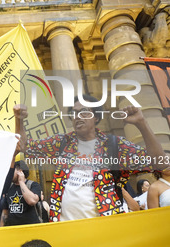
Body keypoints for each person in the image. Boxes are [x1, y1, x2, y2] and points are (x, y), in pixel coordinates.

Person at [14, 94, 166, 222]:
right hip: (65, 229)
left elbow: (160, 163)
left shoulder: (114, 145)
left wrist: (142, 124)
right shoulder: (62, 143)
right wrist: (19, 119)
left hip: (105, 228)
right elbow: (26, 146)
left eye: (84, 112)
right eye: (74, 113)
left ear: (96, 117)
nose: (78, 116)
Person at [0, 160, 42, 226]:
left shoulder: (33, 185)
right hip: (13, 230)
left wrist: (21, 182)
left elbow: (32, 201)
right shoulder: (9, 188)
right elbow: (5, 212)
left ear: (20, 171)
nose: (9, 173)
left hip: (30, 229)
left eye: (12, 171)